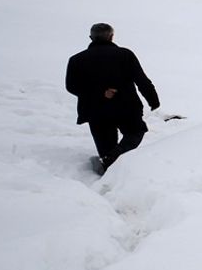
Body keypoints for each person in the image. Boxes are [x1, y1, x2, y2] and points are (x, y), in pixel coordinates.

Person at [65, 23, 160, 172]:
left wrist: (99, 93)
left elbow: (71, 86)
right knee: (135, 132)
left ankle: (109, 168)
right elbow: (141, 79)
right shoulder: (125, 55)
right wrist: (153, 100)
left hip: (95, 110)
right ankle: (116, 160)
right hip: (127, 106)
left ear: (91, 38)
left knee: (106, 149)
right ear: (111, 36)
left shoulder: (76, 60)